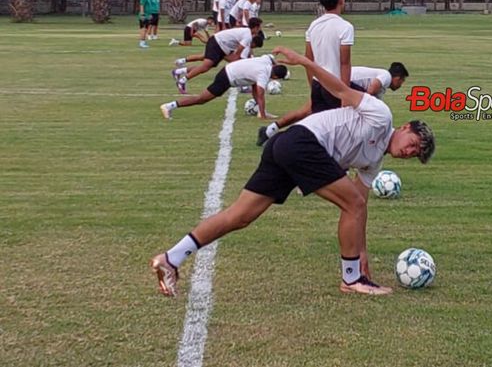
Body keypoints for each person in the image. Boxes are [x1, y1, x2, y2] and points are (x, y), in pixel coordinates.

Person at [150, 45, 435, 297]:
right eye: (413, 143)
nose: (409, 152)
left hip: (287, 146)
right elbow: (340, 89)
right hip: (301, 141)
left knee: (240, 216)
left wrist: (363, 253)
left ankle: (170, 258)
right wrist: (305, 62)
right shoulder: (382, 116)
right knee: (353, 204)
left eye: (415, 154)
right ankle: (351, 280)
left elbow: (360, 208)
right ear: (404, 128)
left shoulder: (374, 162)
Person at [256, 0, 354, 145]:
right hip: (334, 85)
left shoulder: (314, 25)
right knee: (336, 129)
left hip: (317, 83)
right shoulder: (345, 27)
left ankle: (272, 134)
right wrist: (345, 92)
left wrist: (312, 85)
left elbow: (308, 60)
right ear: (341, 0)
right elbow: (345, 63)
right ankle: (283, 142)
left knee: (317, 123)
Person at [257, 62, 409, 146]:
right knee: (332, 126)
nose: (400, 85)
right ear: (398, 77)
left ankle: (269, 130)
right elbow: (371, 89)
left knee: (306, 112)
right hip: (335, 86)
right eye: (402, 81)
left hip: (323, 80)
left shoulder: (381, 87)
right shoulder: (386, 76)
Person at [160, 54, 287, 120]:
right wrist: (263, 116)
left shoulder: (266, 61)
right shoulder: (264, 74)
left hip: (228, 70)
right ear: (275, 77)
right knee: (202, 99)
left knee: (254, 85)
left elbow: (270, 57)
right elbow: (260, 94)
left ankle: (261, 112)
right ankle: (169, 106)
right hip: (226, 77)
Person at [171, 18, 264, 94]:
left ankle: (179, 71)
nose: (260, 29)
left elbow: (241, 54)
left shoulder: (247, 33)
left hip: (221, 46)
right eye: (260, 27)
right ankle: (182, 81)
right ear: (255, 27)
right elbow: (238, 53)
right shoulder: (247, 35)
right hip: (217, 43)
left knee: (207, 65)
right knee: (205, 66)